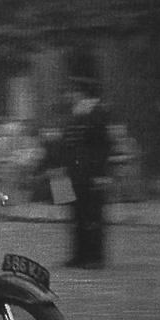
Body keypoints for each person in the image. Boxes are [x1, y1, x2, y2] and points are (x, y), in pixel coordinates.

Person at [60, 80, 112, 268]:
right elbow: (66, 143)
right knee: (75, 216)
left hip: (90, 173)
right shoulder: (73, 112)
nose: (68, 96)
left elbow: (102, 146)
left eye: (71, 92)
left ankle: (95, 257)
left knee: (93, 216)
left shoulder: (98, 112)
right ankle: (78, 254)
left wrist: (101, 174)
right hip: (70, 174)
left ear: (79, 92)